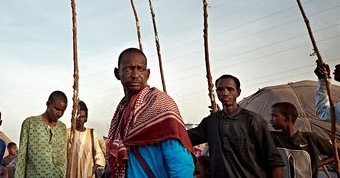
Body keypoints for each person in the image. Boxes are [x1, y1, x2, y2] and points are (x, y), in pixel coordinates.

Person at [107, 48, 195, 177]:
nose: (135, 74)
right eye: (128, 69)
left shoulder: (160, 104)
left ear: (147, 74)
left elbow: (180, 162)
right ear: (117, 73)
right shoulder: (121, 111)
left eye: (140, 69)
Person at [187, 74, 284, 178]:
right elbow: (184, 137)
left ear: (238, 92)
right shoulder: (210, 122)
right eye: (220, 89)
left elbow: (274, 161)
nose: (225, 93)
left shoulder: (253, 121)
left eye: (230, 89)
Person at [270, 102, 334, 178]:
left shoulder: (310, 139)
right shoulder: (272, 137)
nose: (271, 120)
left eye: (275, 116)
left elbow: (337, 153)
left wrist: (318, 164)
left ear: (287, 118)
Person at [15, 90, 68, 178]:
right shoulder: (30, 123)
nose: (60, 113)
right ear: (48, 104)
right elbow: (22, 157)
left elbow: (63, 158)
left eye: (63, 111)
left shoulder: (62, 128)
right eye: (57, 109)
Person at [67, 100, 105, 178]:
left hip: (87, 175)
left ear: (86, 118)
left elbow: (98, 155)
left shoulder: (91, 133)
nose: (80, 119)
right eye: (78, 116)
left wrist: (91, 171)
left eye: (83, 117)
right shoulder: (68, 133)